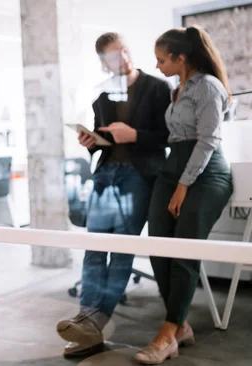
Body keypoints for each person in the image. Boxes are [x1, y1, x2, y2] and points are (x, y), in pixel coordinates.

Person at [56, 32, 171, 358]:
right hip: (106, 170)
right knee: (95, 247)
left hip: (138, 174)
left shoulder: (157, 88)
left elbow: (168, 136)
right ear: (104, 63)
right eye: (112, 56)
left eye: (123, 51)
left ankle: (94, 322)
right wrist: (92, 141)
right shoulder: (103, 94)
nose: (121, 58)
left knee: (121, 250)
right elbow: (105, 134)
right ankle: (86, 318)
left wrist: (134, 134)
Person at [135, 25, 233, 365]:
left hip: (205, 175)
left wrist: (183, 185)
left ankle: (167, 334)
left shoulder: (208, 87)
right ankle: (181, 326)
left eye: (163, 59)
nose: (158, 65)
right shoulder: (178, 90)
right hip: (173, 168)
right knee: (158, 246)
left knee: (184, 252)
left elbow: (207, 141)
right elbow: (174, 138)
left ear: (181, 57)